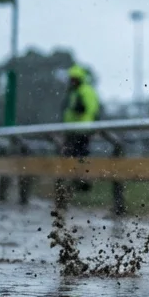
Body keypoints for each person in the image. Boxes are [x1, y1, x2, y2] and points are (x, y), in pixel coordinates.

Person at [56, 65, 100, 203]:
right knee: (71, 157)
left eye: (74, 79)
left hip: (81, 130)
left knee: (78, 156)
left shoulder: (84, 91)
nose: (72, 82)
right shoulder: (75, 91)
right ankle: (75, 183)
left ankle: (82, 182)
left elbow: (86, 109)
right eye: (71, 79)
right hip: (73, 130)